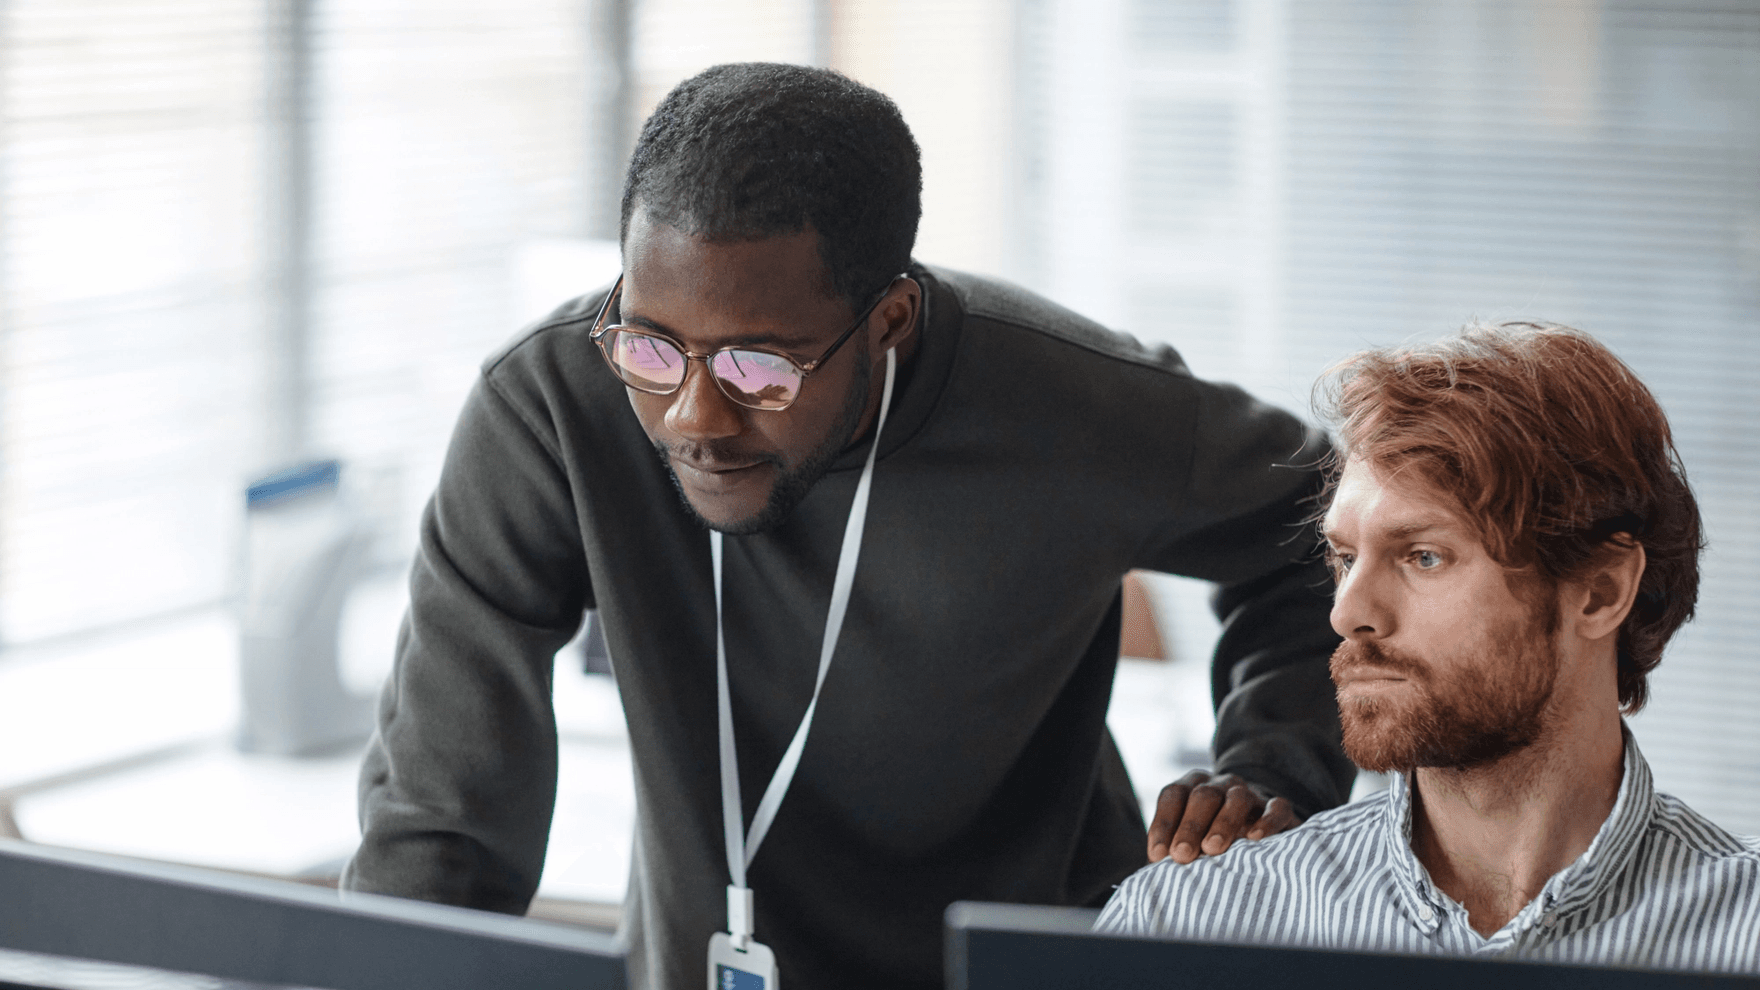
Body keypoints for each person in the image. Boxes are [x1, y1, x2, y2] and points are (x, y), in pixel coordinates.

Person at [342, 63, 1354, 990]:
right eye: (651, 347)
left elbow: (1330, 531)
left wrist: (1271, 766)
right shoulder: (551, 404)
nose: (694, 417)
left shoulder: (1077, 407)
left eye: (758, 368)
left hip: (1031, 968)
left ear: (890, 321)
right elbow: (443, 819)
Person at [1098, 323, 1760, 973]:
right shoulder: (1190, 927)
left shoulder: (1745, 935)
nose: (1348, 612)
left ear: (1600, 591)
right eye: (1346, 558)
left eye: (1423, 556)